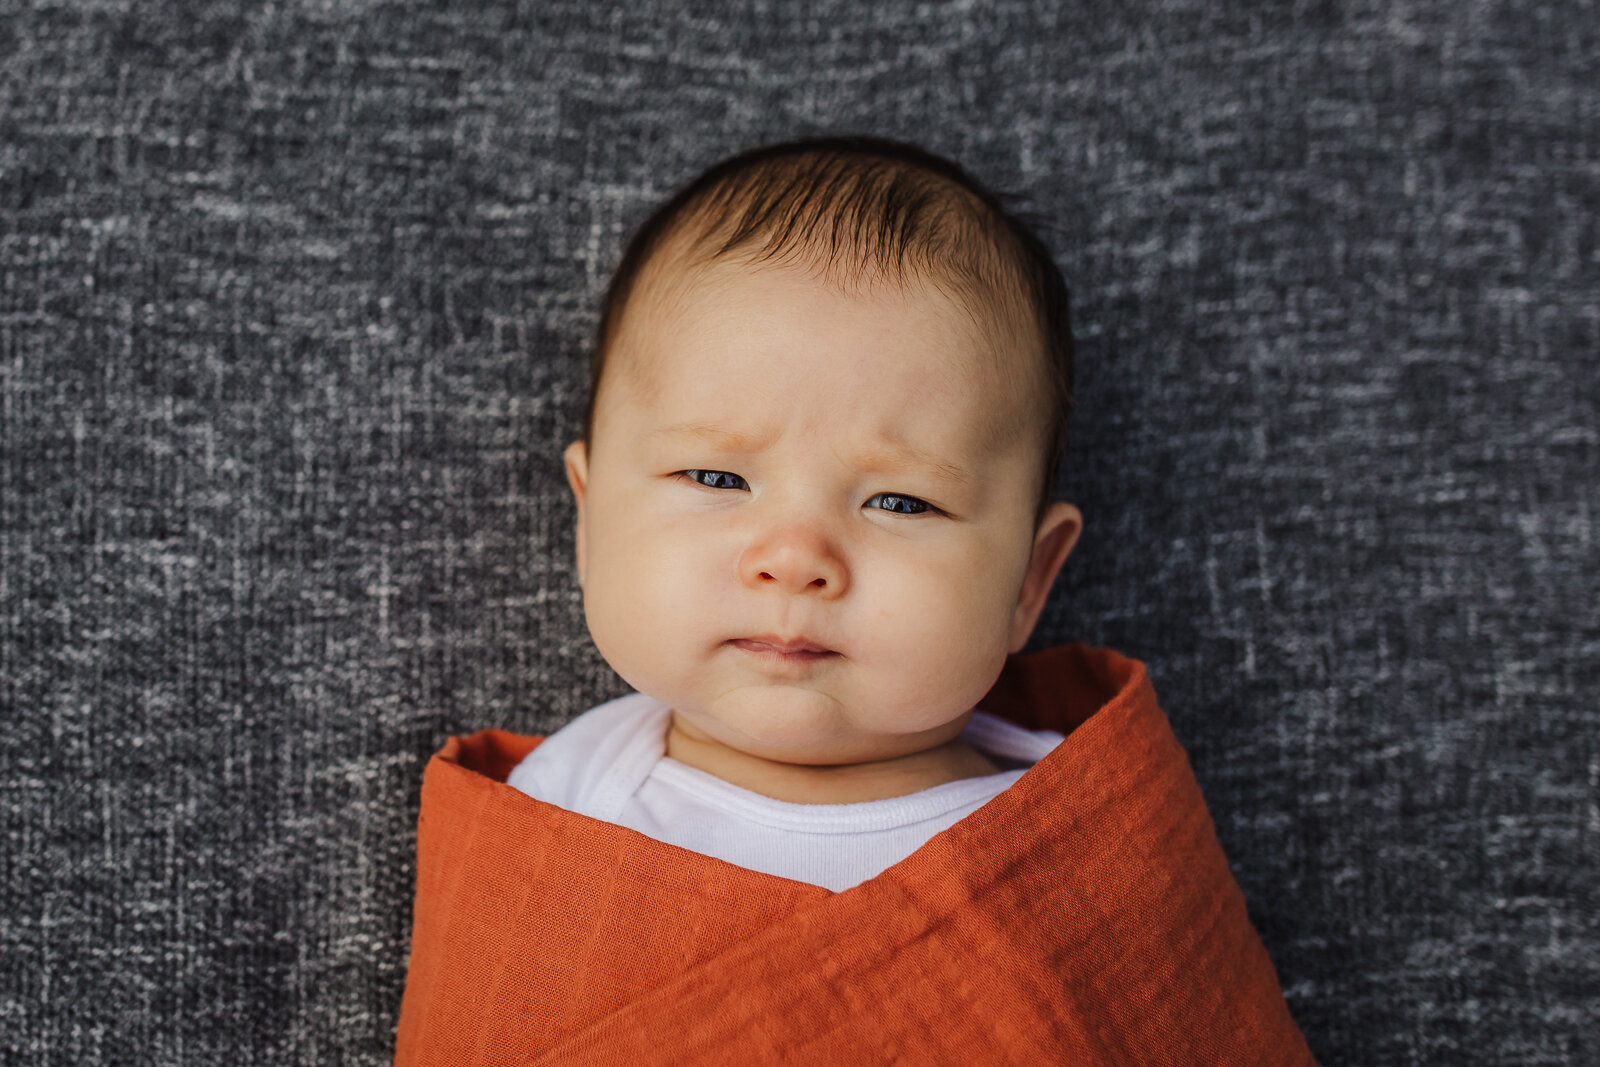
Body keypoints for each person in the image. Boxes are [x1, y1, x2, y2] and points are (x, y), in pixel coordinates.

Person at [393, 138, 1315, 1065]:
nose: (795, 558)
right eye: (715, 474)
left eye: (901, 501)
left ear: (1031, 582)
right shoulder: (557, 807)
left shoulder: (1088, 839)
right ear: (589, 527)